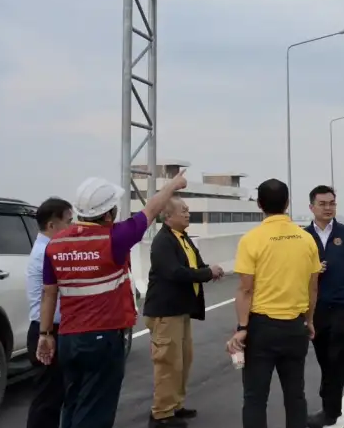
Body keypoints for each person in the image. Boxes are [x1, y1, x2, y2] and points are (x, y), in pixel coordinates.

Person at [35, 171, 188, 428]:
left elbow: (49, 293)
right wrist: (173, 184)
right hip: (102, 339)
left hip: (68, 339)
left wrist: (45, 334)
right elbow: (151, 209)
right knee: (95, 411)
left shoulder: (55, 245)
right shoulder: (114, 238)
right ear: (108, 214)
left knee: (73, 403)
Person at [227, 179, 321, 428]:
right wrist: (309, 320)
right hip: (296, 327)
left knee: (255, 397)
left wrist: (242, 327)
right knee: (295, 394)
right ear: (287, 203)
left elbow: (246, 289)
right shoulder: (306, 239)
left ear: (259, 204)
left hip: (261, 329)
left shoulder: (251, 240)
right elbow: (312, 286)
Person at [144, 197, 225, 427]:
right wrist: (207, 273)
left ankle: (175, 405)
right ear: (168, 216)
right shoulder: (163, 242)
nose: (188, 214)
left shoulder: (183, 238)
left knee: (183, 361)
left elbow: (196, 266)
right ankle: (161, 414)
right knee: (168, 363)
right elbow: (175, 272)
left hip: (181, 311)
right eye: (184, 211)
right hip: (165, 312)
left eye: (188, 210)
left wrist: (210, 271)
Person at [302, 186, 344, 428]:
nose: (328, 208)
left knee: (337, 357)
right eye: (322, 203)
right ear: (311, 207)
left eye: (331, 203)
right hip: (313, 308)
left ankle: (330, 411)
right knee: (323, 357)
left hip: (342, 305)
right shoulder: (302, 237)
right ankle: (329, 395)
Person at [25, 197, 73, 428]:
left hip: (48, 329)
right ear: (52, 225)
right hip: (47, 330)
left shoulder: (46, 249)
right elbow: (50, 294)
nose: (72, 227)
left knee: (52, 398)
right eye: (68, 221)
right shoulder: (48, 252)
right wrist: (46, 334)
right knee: (47, 401)